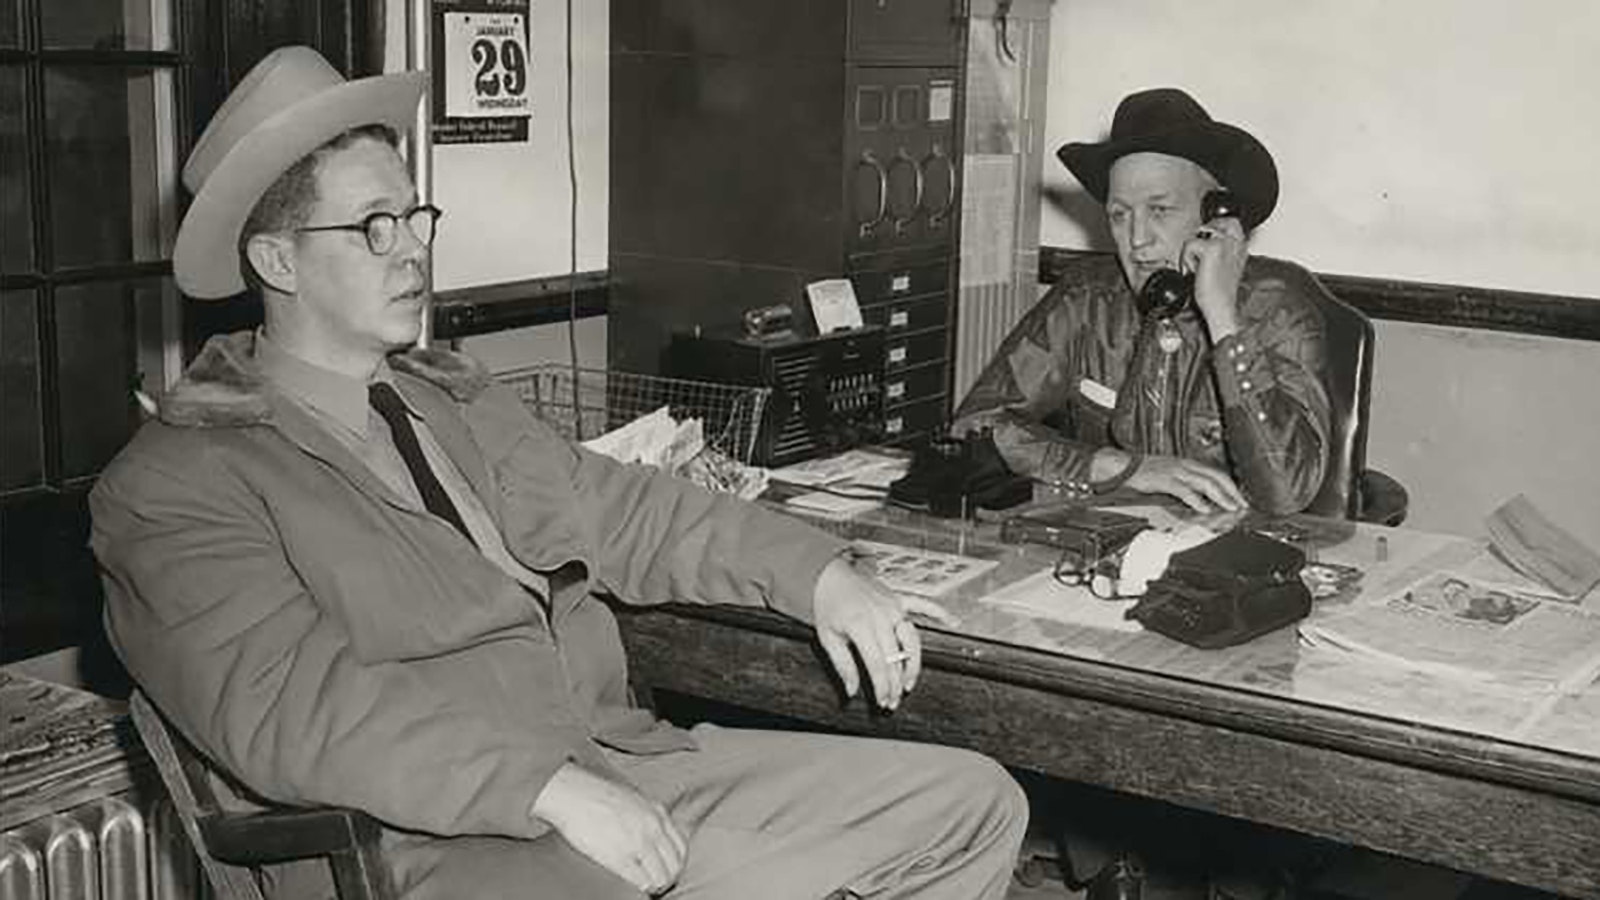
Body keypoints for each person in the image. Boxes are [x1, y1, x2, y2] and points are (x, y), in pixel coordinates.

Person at [90, 47, 1026, 900]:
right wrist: (544, 789)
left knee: (973, 804)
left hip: (609, 758)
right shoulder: (175, 483)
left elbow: (625, 512)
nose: (414, 246)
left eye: (413, 215)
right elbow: (296, 707)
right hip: (420, 841)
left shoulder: (450, 400)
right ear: (273, 261)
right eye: (375, 226)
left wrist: (815, 572)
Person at [954, 87, 1335, 516]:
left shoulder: (1279, 311)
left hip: (1236, 553)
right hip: (1110, 544)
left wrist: (1224, 320)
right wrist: (1119, 467)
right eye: (1120, 215)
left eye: (1159, 211)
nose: (1136, 240)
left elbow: (1286, 492)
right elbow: (975, 427)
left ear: (1216, 217)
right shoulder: (1086, 299)